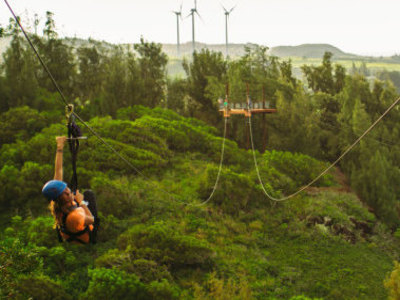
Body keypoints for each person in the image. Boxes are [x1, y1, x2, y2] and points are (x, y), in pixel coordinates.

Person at [42, 136, 99, 244]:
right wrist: (82, 202)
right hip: (86, 235)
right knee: (89, 194)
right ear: (66, 196)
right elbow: (91, 219)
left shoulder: (57, 200)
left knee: (82, 194)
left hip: (74, 221)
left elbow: (58, 172)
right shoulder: (75, 217)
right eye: (67, 191)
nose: (68, 189)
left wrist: (60, 147)